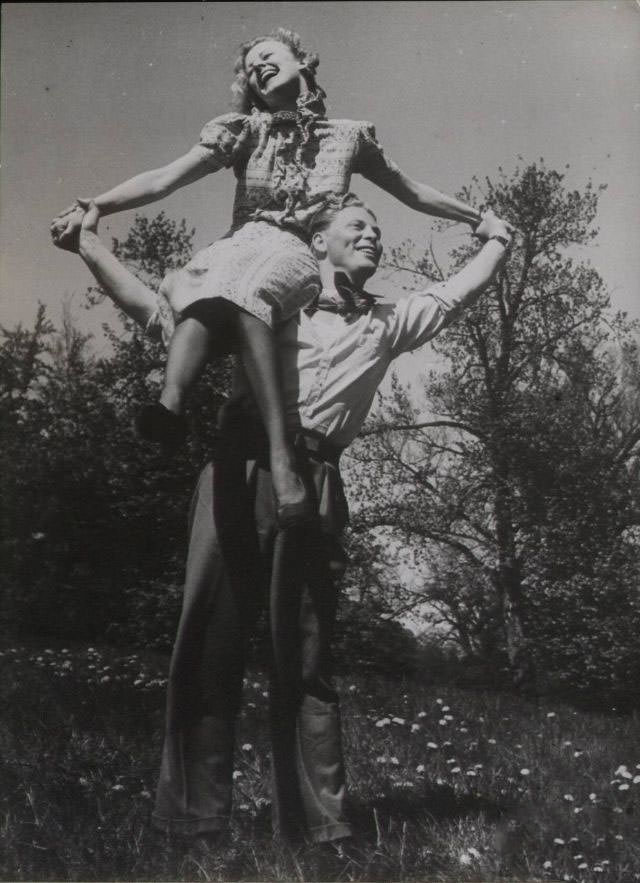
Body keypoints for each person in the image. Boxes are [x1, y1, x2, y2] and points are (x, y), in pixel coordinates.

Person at [68, 193, 513, 845]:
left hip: (319, 481)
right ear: (318, 243)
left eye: (379, 231)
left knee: (306, 659)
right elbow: (160, 311)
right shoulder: (265, 302)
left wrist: (497, 239)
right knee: (209, 642)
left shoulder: (387, 321)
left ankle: (320, 829)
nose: (373, 237)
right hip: (240, 469)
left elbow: (453, 294)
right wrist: (90, 244)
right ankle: (192, 821)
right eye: (357, 227)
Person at [50, 27, 485, 527]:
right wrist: (98, 204)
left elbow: (412, 191)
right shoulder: (243, 132)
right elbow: (165, 178)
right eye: (251, 68)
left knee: (247, 290)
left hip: (293, 250)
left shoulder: (349, 137)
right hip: (239, 243)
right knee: (198, 294)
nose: (259, 67)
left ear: (304, 62)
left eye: (268, 55)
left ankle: (281, 457)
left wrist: (475, 218)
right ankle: (170, 406)